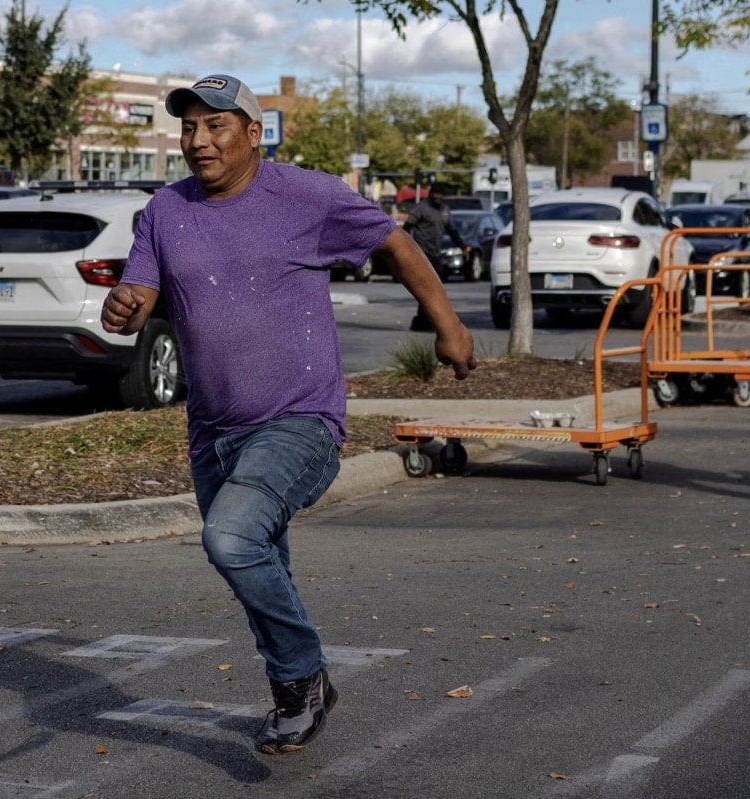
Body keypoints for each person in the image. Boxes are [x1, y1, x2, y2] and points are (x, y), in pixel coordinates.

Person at [100, 74, 476, 754]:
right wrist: (122, 306)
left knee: (231, 538)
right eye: (188, 127)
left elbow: (395, 242)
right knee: (259, 558)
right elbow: (140, 289)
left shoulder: (307, 195)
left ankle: (300, 675)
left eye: (215, 126)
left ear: (253, 133)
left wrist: (449, 326)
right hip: (212, 430)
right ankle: (302, 687)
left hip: (300, 420)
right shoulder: (165, 210)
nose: (198, 140)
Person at [402, 185, 465, 331]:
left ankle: (428, 319)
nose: (438, 197)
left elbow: (451, 230)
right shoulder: (421, 208)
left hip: (436, 253)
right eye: (435, 194)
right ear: (430, 194)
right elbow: (408, 227)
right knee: (425, 287)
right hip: (422, 252)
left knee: (436, 288)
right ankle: (422, 320)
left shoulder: (445, 210)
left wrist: (462, 246)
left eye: (441, 194)